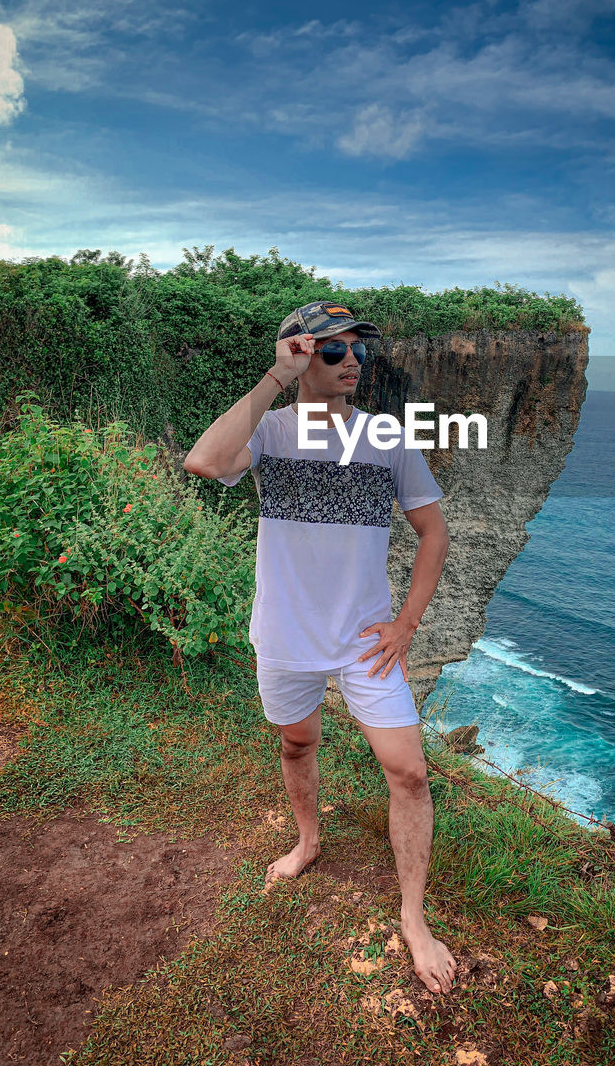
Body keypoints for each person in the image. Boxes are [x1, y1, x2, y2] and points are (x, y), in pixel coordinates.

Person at [183, 300, 457, 996]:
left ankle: (413, 918)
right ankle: (307, 841)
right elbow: (204, 461)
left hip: (363, 644)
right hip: (282, 636)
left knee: (410, 774)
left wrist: (404, 626)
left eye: (357, 352)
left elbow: (433, 533)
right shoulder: (271, 430)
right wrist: (276, 377)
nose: (352, 363)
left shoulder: (387, 438)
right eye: (332, 351)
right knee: (297, 746)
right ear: (299, 354)